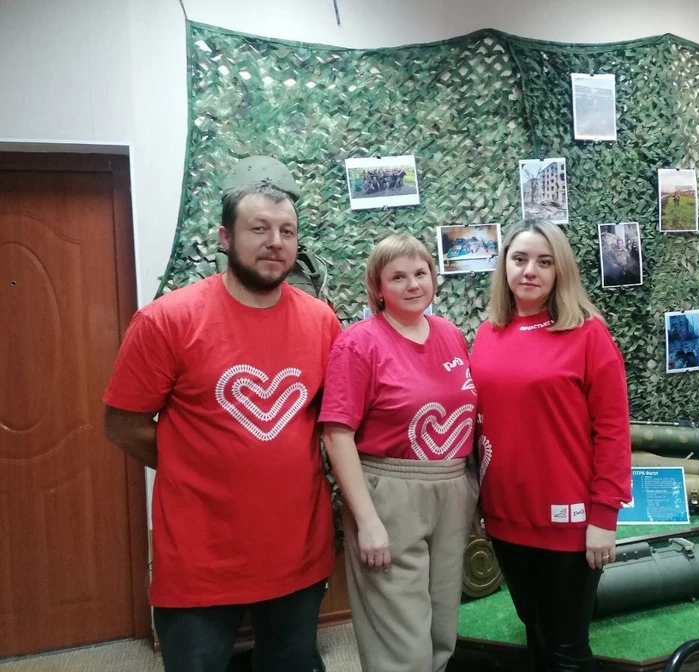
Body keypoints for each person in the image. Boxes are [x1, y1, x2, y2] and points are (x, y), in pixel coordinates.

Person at [102, 156, 342, 672]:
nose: (275, 241)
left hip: (297, 552)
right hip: (199, 560)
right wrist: (194, 465)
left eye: (287, 231)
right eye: (258, 228)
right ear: (225, 238)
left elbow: (330, 422)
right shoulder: (167, 321)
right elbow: (122, 425)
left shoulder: (322, 322)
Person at [470, 218, 632, 671]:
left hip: (571, 523)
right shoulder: (487, 334)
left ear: (560, 270)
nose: (530, 271)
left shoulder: (588, 334)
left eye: (544, 262)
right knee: (535, 633)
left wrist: (604, 516)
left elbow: (613, 430)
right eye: (520, 259)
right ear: (504, 265)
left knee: (566, 649)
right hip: (506, 520)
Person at [319, 233, 478, 672]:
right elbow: (336, 434)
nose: (413, 285)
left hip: (452, 487)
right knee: (401, 644)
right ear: (377, 287)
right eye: (398, 277)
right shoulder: (359, 343)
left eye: (420, 273)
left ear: (434, 278)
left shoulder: (450, 334)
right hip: (390, 492)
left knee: (441, 631)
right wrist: (368, 520)